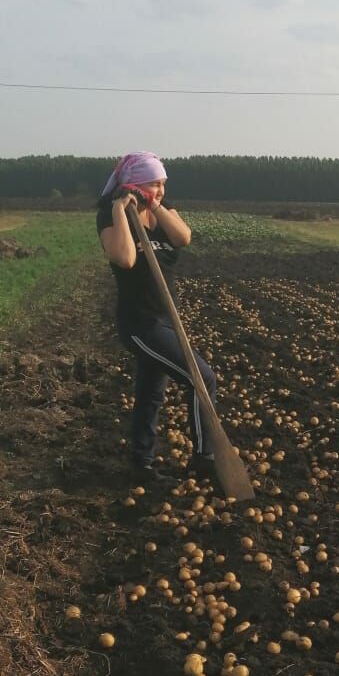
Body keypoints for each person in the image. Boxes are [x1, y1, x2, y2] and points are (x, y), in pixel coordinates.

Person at [96, 151, 218, 484]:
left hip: (167, 319)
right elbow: (125, 258)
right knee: (202, 378)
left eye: (163, 183)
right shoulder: (110, 215)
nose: (161, 189)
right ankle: (205, 457)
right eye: (154, 182)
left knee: (151, 394)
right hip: (140, 323)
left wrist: (155, 205)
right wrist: (122, 209)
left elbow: (183, 238)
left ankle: (142, 464)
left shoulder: (162, 210)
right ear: (133, 182)